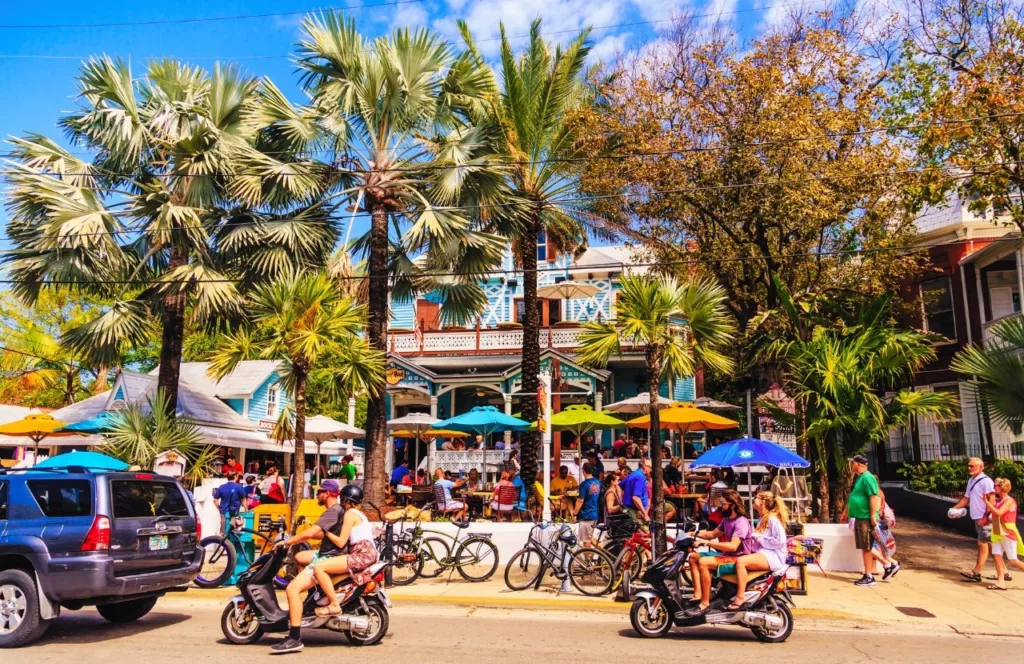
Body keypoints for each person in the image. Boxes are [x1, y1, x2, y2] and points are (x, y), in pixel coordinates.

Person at [269, 480, 346, 654]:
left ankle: (294, 638)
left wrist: (288, 541)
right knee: (299, 557)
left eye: (319, 492)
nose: (317, 495)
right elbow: (319, 533)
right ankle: (314, 594)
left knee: (291, 590)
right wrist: (301, 537)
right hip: (327, 553)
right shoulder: (337, 510)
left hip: (327, 558)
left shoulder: (332, 511)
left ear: (327, 493)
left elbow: (311, 533)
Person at [311, 484, 380, 617]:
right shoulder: (361, 514)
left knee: (319, 568)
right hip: (369, 553)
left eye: (342, 500)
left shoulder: (349, 514)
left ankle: (334, 604)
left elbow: (341, 541)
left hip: (362, 554)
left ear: (346, 501)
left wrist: (326, 532)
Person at [685, 489, 756, 617]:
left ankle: (705, 604)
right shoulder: (727, 520)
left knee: (704, 562)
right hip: (727, 556)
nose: (721, 506)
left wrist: (707, 543)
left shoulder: (741, 523)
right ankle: (698, 596)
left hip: (737, 558)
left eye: (723, 504)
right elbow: (712, 534)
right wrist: (693, 534)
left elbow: (733, 546)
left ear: (732, 505)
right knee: (694, 557)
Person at [729, 491, 790, 610]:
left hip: (772, 556)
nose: (753, 500)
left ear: (762, 502)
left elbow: (780, 540)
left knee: (741, 562)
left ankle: (740, 596)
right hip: (764, 554)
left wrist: (759, 538)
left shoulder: (772, 519)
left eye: (756, 498)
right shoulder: (763, 518)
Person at [949, 457, 996, 582]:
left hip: (985, 518)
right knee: (990, 545)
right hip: (977, 517)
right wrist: (953, 510)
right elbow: (966, 498)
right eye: (969, 466)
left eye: (972, 466)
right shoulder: (971, 481)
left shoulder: (986, 481)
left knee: (982, 544)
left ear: (981, 467)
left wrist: (986, 516)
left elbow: (992, 499)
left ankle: (976, 572)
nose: (969, 468)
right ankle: (1004, 572)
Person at [842, 454, 882, 587]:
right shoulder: (860, 478)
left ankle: (869, 575)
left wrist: (872, 516)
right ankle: (868, 574)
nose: (851, 465)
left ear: (858, 464)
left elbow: (873, 498)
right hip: (860, 516)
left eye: (852, 463)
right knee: (864, 546)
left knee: (867, 546)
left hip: (865, 517)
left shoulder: (867, 478)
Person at [985, 477, 1024, 590]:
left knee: (1013, 560)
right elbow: (994, 517)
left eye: (996, 486)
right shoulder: (999, 501)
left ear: (1001, 488)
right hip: (998, 531)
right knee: (997, 556)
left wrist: (987, 502)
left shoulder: (1009, 501)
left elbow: (999, 513)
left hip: (1007, 531)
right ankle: (1000, 582)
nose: (994, 488)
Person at [621, 458, 651, 524]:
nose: (651, 470)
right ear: (644, 467)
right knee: (645, 533)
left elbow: (619, 485)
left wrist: (621, 500)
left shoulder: (633, 474)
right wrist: (645, 514)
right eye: (650, 467)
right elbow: (635, 498)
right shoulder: (640, 477)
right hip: (636, 512)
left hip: (629, 510)